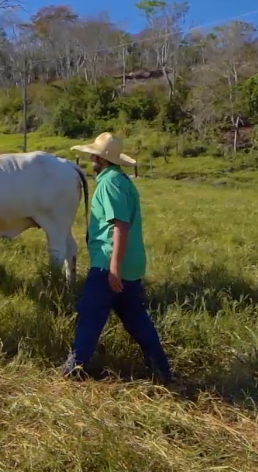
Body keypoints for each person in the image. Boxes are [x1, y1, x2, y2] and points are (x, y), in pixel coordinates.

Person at [61, 132, 173, 383]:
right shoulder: (122, 180)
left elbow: (120, 226)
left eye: (94, 155)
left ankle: (74, 370)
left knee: (89, 315)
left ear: (100, 159)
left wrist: (113, 269)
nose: (91, 158)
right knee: (137, 320)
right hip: (129, 265)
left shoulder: (109, 184)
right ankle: (162, 371)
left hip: (109, 265)